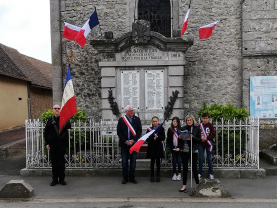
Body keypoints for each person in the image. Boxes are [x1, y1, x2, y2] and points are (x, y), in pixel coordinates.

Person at [44, 104, 71, 186]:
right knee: (54, 162)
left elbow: (69, 127)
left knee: (61, 162)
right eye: (55, 108)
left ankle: (62, 179)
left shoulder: (64, 119)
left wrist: (67, 118)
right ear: (52, 109)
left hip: (61, 144)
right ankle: (55, 179)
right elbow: (46, 132)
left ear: (60, 110)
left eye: (58, 108)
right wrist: (47, 143)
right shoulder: (49, 120)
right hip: (53, 145)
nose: (56, 110)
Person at [117, 105, 142, 184]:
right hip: (124, 144)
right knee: (124, 161)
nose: (132, 112)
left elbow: (139, 131)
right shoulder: (121, 120)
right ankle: (125, 177)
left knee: (133, 161)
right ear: (126, 112)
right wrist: (126, 141)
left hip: (133, 144)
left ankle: (132, 177)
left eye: (133, 110)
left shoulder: (137, 119)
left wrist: (133, 140)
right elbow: (119, 132)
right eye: (131, 111)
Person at [177, 115, 201, 192]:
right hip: (184, 150)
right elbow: (179, 139)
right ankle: (184, 185)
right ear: (186, 121)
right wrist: (180, 137)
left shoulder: (197, 128)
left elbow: (199, 140)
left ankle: (197, 184)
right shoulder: (183, 128)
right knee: (185, 168)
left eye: (190, 120)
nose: (189, 121)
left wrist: (192, 137)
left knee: (194, 167)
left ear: (193, 120)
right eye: (187, 120)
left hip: (193, 150)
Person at [146, 116, 165, 182]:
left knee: (158, 163)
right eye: (153, 121)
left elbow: (163, 137)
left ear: (158, 122)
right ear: (152, 122)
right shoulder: (149, 129)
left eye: (156, 121)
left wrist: (158, 137)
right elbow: (147, 138)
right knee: (152, 162)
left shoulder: (161, 129)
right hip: (151, 147)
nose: (155, 122)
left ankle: (158, 176)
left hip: (158, 147)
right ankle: (152, 176)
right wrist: (153, 139)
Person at [198, 112, 215, 180]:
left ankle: (211, 173)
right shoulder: (200, 126)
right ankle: (200, 173)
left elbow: (213, 135)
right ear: (202, 119)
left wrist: (207, 138)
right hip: (201, 144)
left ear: (208, 119)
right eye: (204, 118)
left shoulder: (210, 125)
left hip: (208, 144)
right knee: (200, 159)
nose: (205, 120)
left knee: (209, 159)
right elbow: (197, 135)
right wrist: (200, 139)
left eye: (206, 118)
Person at [166, 117, 182, 181]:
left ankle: (179, 174)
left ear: (178, 122)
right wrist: (172, 147)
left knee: (179, 161)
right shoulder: (170, 130)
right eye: (174, 122)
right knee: (174, 161)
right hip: (173, 147)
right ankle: (174, 174)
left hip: (178, 148)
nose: (175, 123)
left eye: (176, 122)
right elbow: (169, 140)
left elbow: (182, 140)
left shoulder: (180, 130)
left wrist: (179, 147)